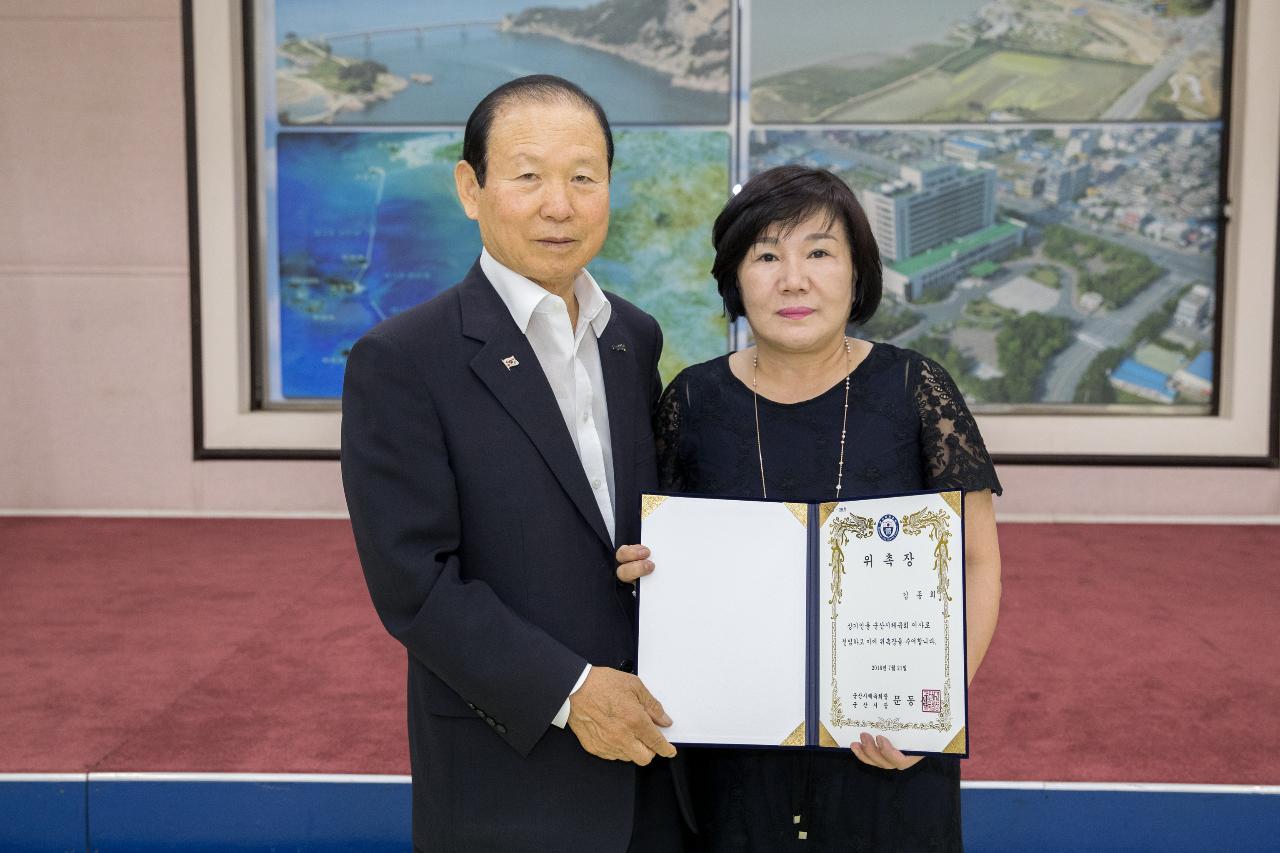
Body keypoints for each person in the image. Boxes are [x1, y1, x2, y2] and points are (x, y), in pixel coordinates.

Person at [341, 75, 692, 852]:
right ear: (472, 188)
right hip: (511, 769)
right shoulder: (402, 360)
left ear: (609, 186)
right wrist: (572, 691)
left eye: (582, 176)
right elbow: (415, 583)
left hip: (655, 763)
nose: (558, 204)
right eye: (528, 175)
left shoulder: (634, 338)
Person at [617, 165, 1003, 851]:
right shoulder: (691, 401)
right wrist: (646, 565)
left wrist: (934, 714)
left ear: (858, 272)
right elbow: (664, 560)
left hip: (885, 751)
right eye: (767, 255)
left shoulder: (919, 390)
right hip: (733, 755)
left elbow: (975, 562)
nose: (793, 279)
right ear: (736, 278)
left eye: (819, 252)